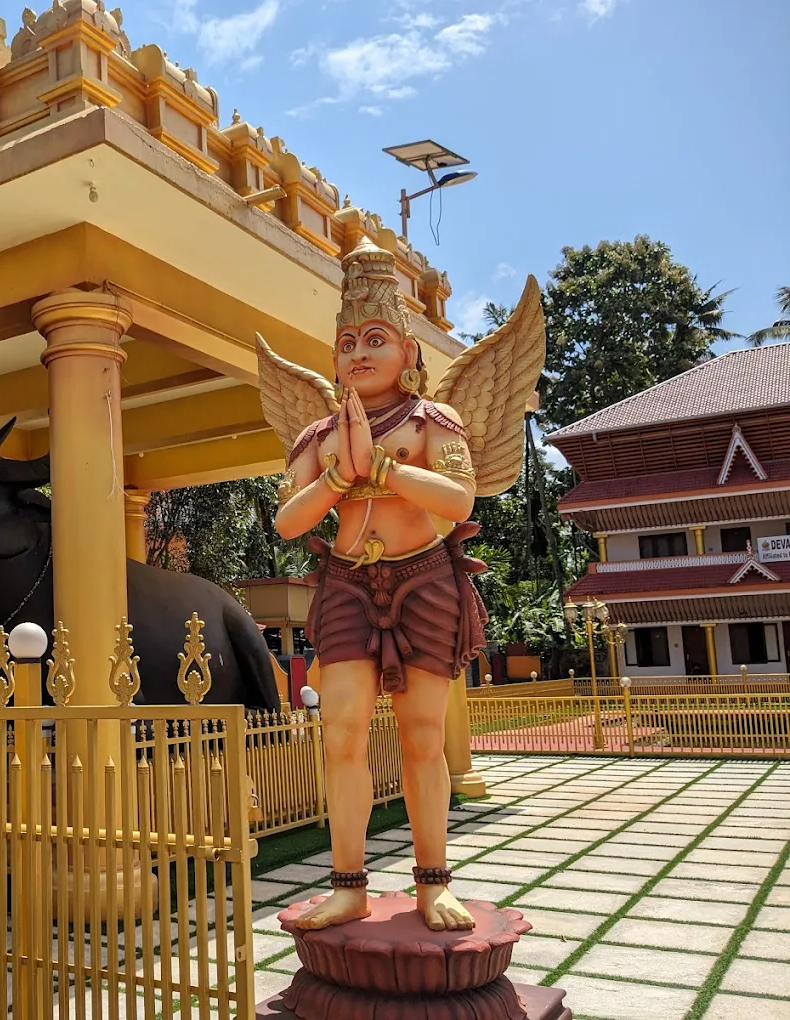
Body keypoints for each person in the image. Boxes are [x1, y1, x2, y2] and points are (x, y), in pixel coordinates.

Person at [267, 237, 502, 932]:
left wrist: (386, 471)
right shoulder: (319, 434)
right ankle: (348, 884)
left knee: (422, 733)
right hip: (345, 585)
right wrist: (341, 473)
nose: (358, 353)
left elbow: (460, 499)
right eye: (346, 342)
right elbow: (287, 520)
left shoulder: (434, 421)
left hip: (424, 579)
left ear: (408, 352)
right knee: (340, 733)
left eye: (375, 338)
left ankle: (433, 884)